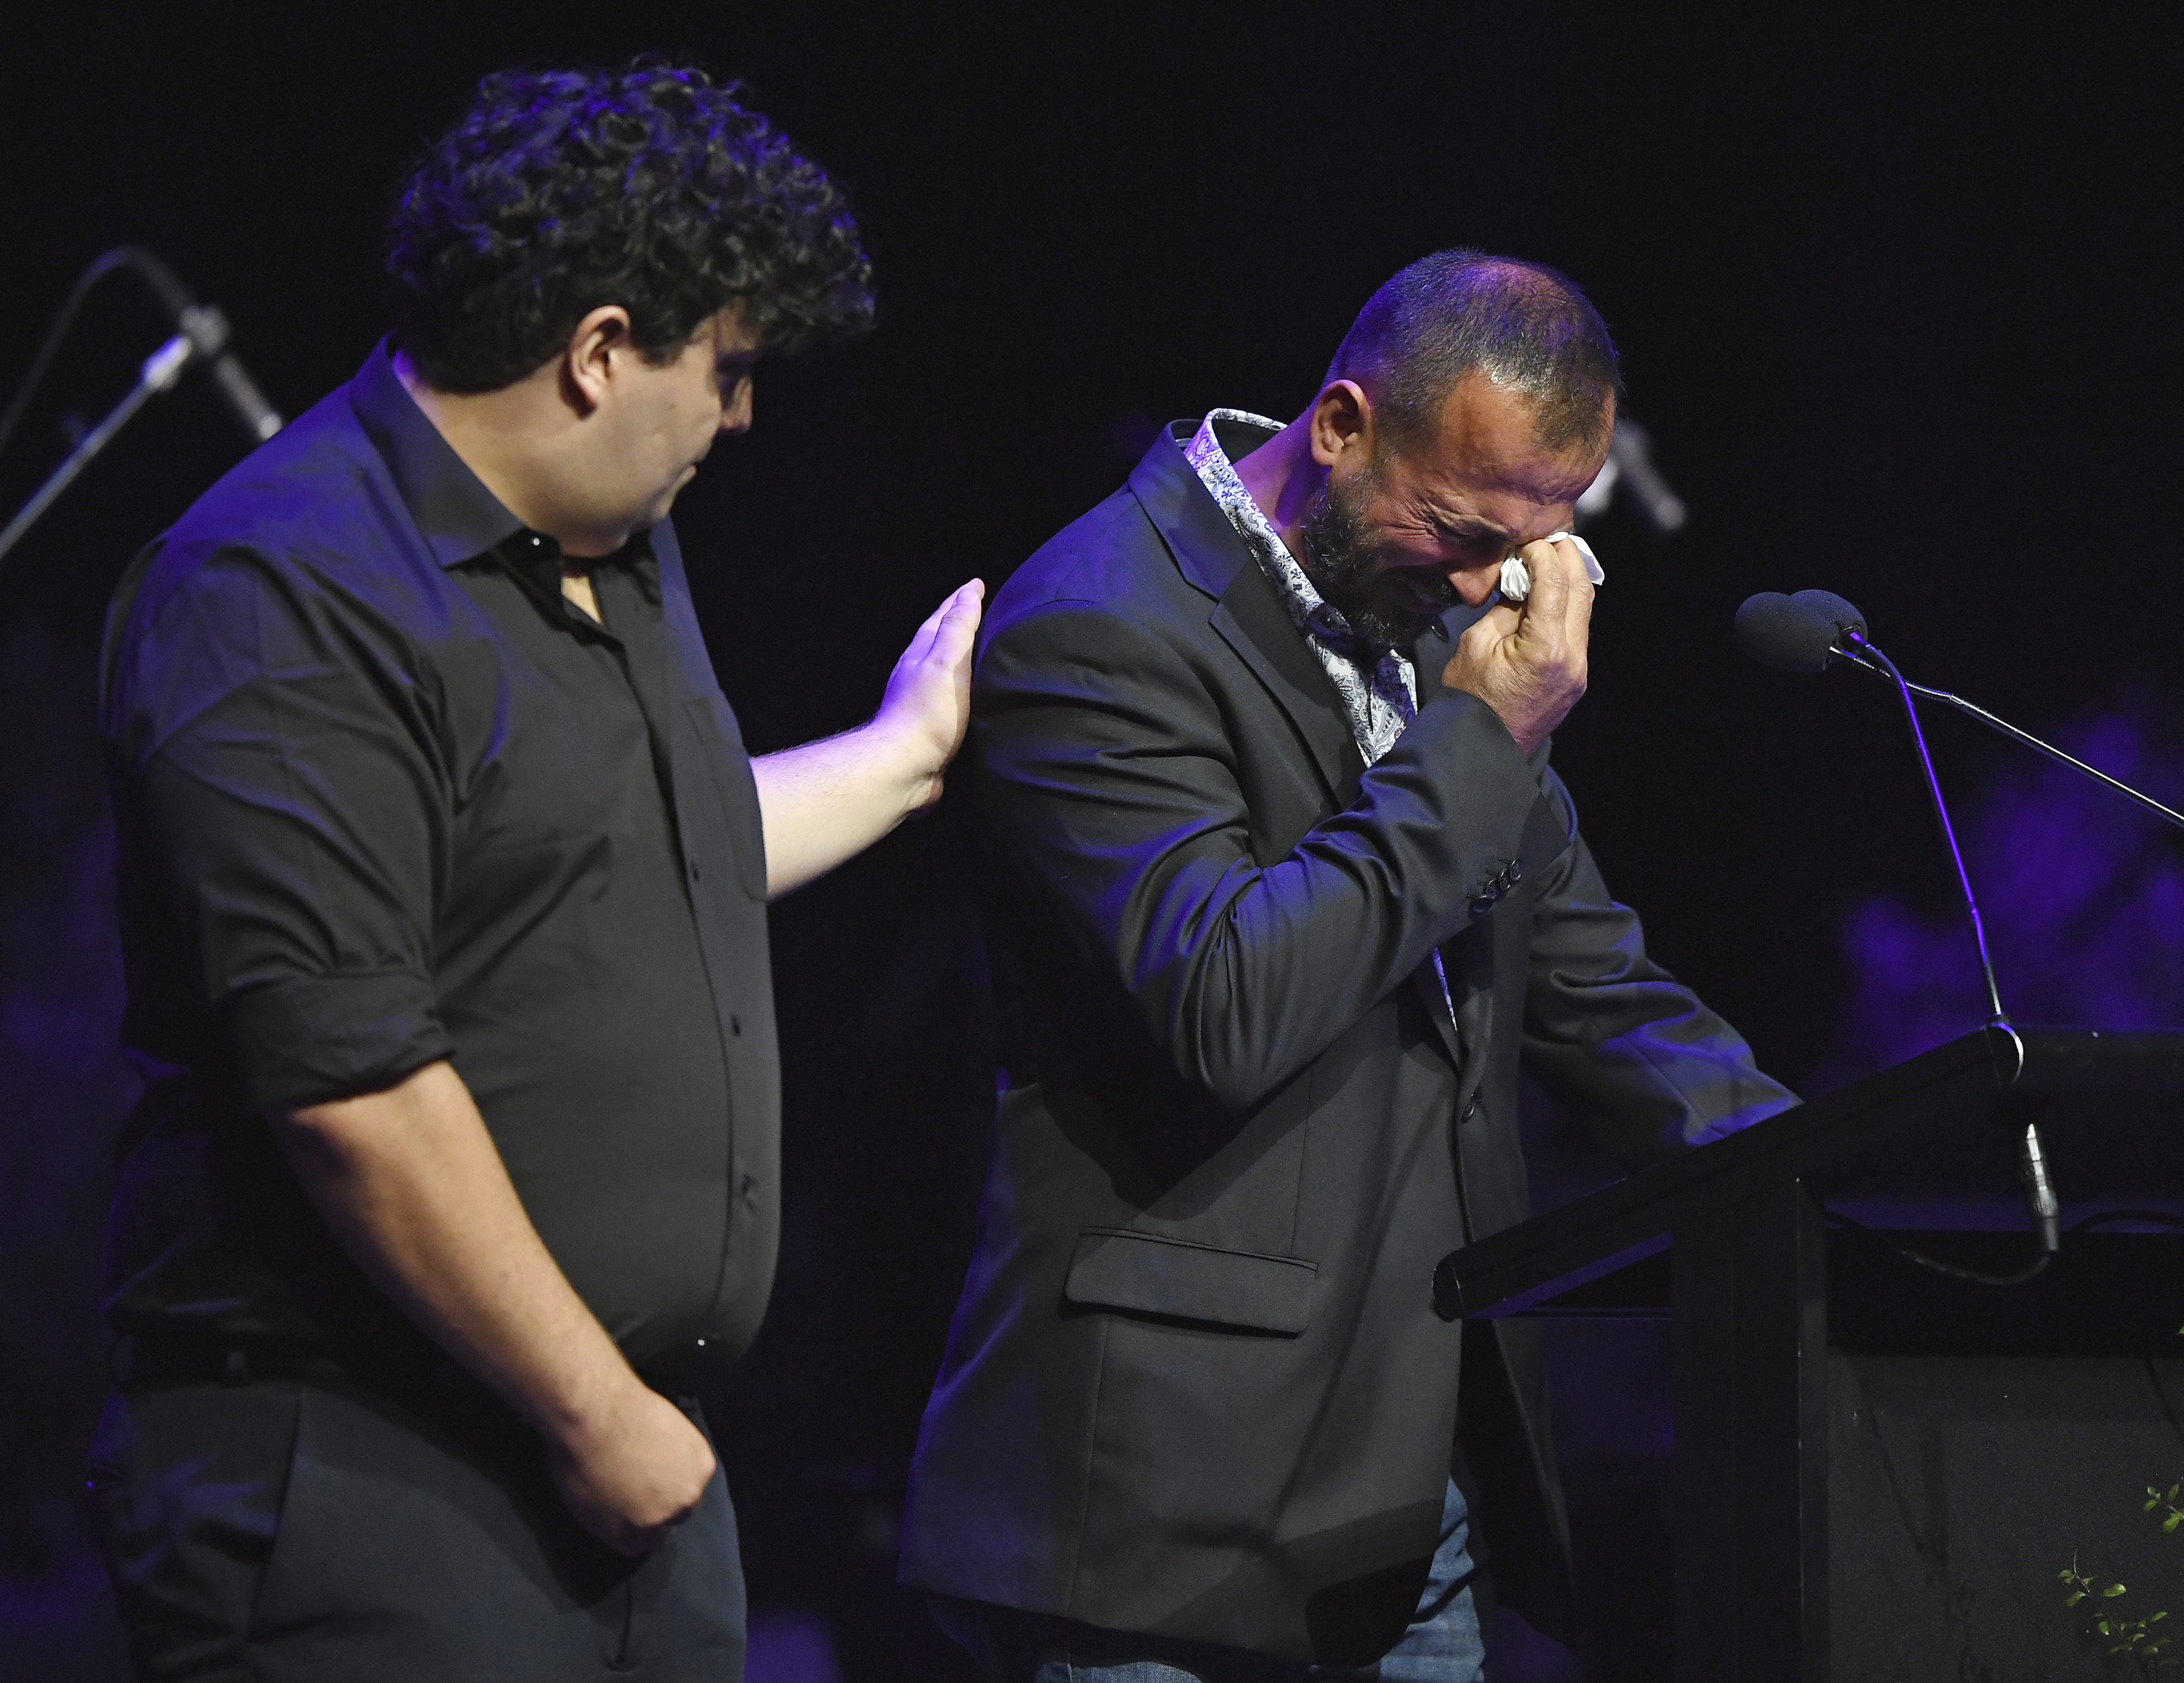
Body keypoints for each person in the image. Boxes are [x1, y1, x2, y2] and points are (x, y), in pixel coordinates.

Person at [86, 63, 979, 1681]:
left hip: (617, 1473)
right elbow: (348, 1083)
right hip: (374, 1481)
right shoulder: (283, 588)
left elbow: (652, 861)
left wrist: (906, 752)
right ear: (595, 354)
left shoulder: (611, 550)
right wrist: (593, 1409)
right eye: (728, 366)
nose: (743, 414)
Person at [901, 249, 1795, 1680]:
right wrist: (1476, 742)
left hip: (1403, 1508)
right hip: (1158, 1519)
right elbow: (1225, 1002)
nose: (1486, 584)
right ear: (1338, 427)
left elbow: (1590, 987)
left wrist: (1828, 1190)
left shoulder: (1433, 630)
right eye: (1453, 529)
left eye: (1527, 548)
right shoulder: (1099, 623)